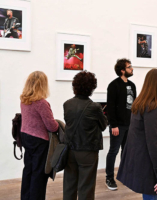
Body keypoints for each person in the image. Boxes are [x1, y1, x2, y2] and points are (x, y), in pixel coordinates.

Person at [117, 69, 157, 200]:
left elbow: (145, 132)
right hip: (150, 166)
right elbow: (153, 143)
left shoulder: (140, 103)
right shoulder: (153, 108)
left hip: (144, 162)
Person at [63, 71, 107, 200]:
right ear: (92, 87)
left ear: (75, 86)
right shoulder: (94, 107)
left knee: (69, 185)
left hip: (70, 149)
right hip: (88, 151)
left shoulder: (67, 104)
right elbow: (104, 126)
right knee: (86, 187)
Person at [20, 71, 59, 200]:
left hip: (25, 136)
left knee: (28, 170)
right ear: (42, 85)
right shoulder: (41, 103)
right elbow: (51, 126)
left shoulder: (24, 100)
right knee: (39, 174)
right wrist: (59, 125)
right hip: (39, 141)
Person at [105, 58, 136, 190]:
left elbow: (134, 105)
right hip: (118, 126)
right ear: (122, 70)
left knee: (127, 151)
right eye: (129, 67)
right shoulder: (113, 85)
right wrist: (114, 125)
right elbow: (110, 107)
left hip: (130, 125)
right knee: (113, 151)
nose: (132, 68)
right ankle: (109, 178)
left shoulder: (132, 85)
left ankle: (125, 175)